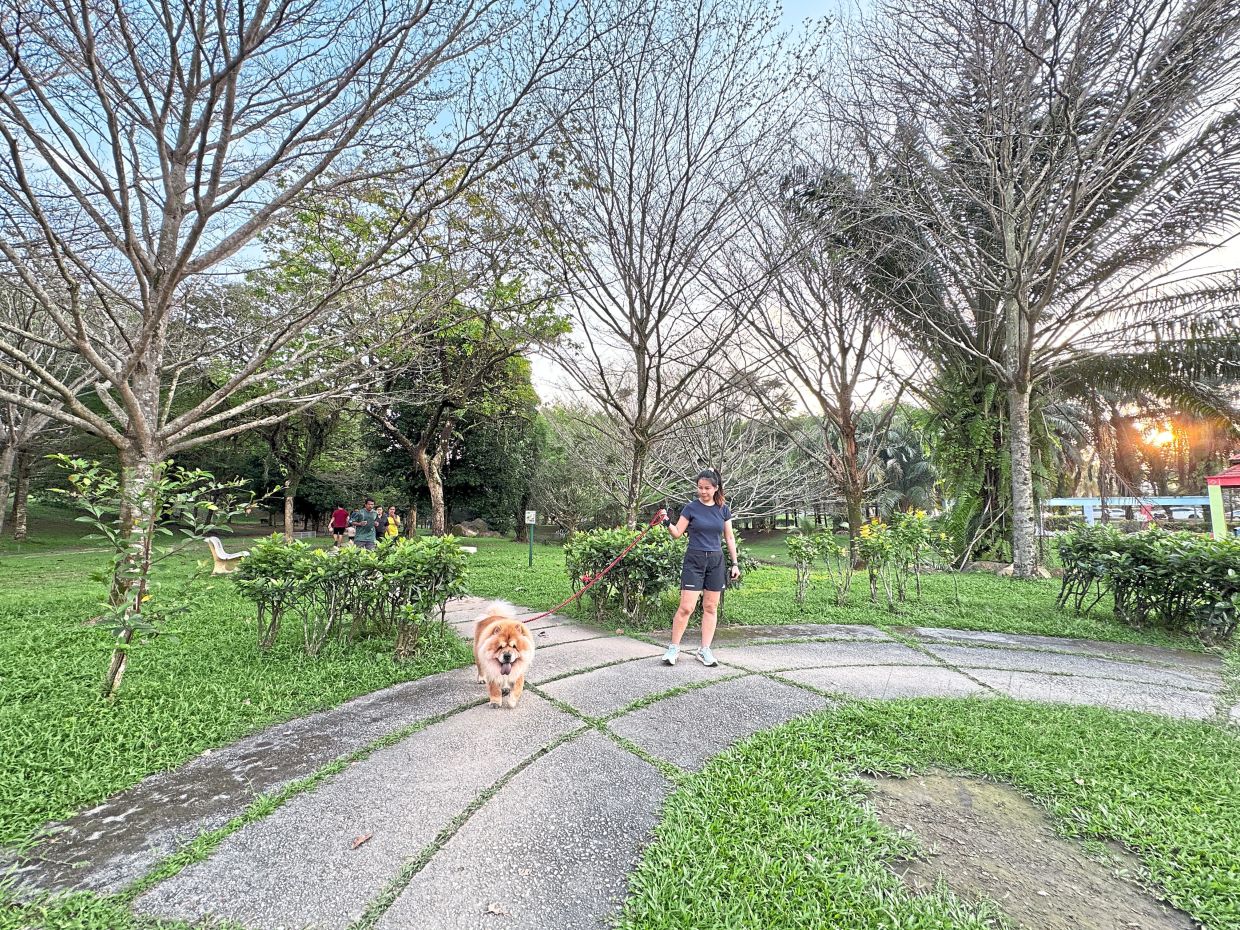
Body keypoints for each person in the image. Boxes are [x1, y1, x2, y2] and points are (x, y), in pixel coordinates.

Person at [655, 469, 739, 667]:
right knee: (686, 607)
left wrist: (735, 563)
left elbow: (729, 537)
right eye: (700, 488)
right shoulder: (691, 508)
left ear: (716, 488)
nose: (703, 492)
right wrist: (666, 521)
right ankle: (674, 648)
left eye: (707, 488)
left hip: (716, 561)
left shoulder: (723, 509)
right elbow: (677, 533)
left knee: (710, 607)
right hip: (694, 559)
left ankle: (704, 650)